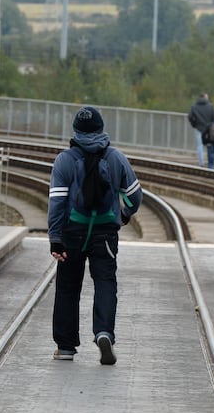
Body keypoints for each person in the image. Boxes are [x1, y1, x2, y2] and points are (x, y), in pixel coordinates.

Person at [48, 106, 143, 365]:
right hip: (105, 233)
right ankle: (104, 333)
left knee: (67, 287)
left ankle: (66, 346)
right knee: (105, 282)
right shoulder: (116, 158)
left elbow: (57, 202)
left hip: (72, 233)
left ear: (75, 131)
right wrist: (124, 215)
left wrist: (55, 237)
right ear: (101, 129)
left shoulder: (64, 160)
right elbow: (135, 196)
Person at [188, 93, 214, 167]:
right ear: (205, 98)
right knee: (210, 145)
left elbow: (190, 117)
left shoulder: (194, 107)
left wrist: (194, 124)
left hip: (199, 128)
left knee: (199, 145)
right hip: (209, 129)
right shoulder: (211, 106)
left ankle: (201, 163)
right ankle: (211, 163)